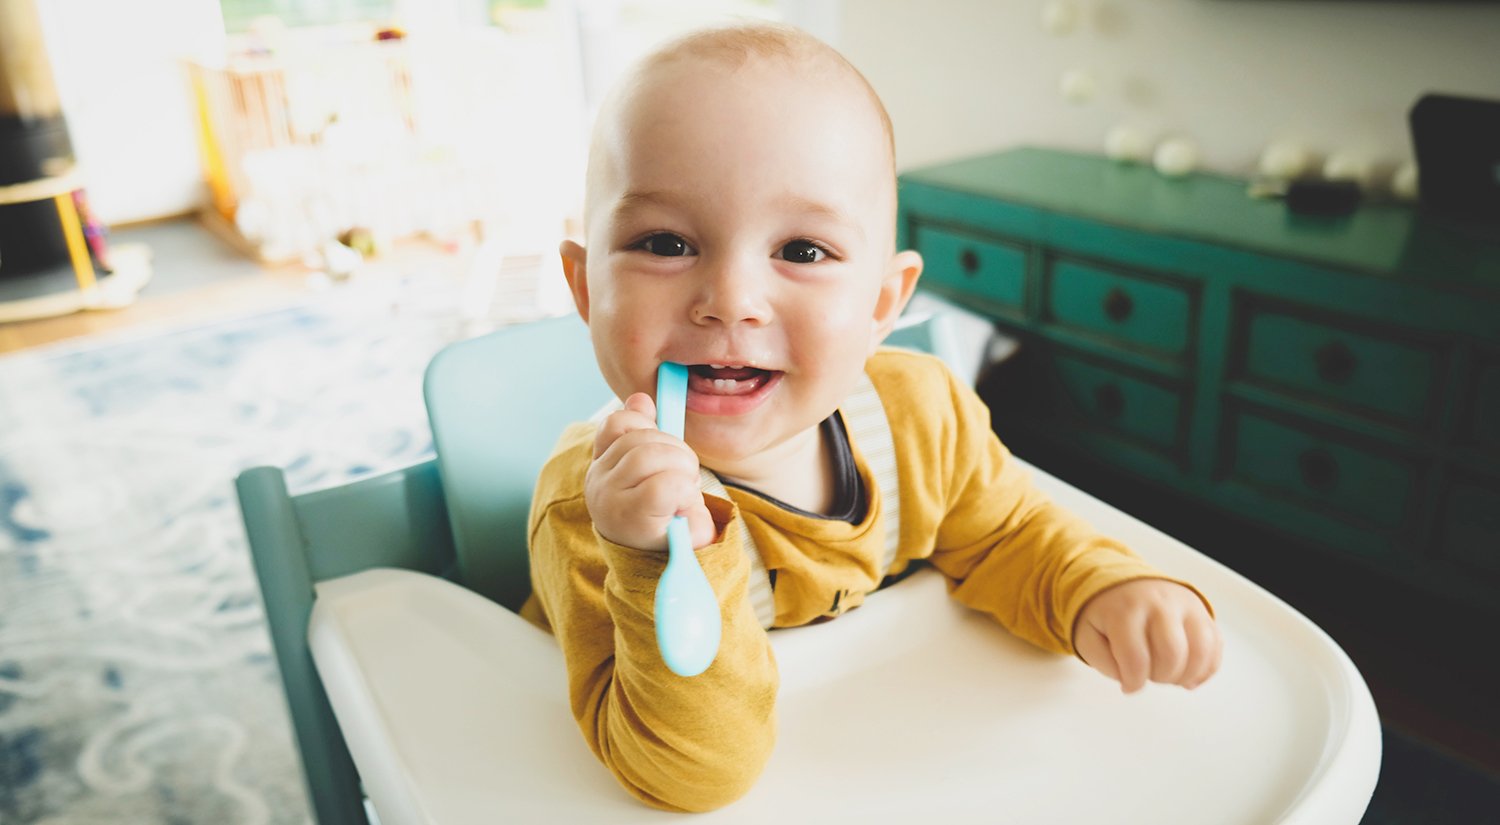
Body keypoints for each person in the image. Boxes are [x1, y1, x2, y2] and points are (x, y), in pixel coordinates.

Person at [519, 22, 1221, 813]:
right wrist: (653, 555)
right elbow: (689, 774)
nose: (732, 302)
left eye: (803, 250)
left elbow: (1006, 535)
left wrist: (1100, 589)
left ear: (886, 302)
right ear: (584, 288)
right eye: (665, 241)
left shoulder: (919, 417)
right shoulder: (591, 511)